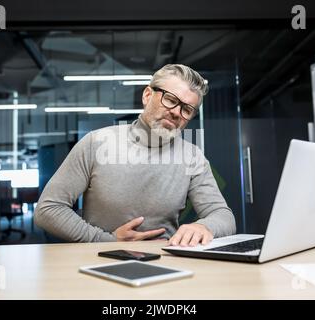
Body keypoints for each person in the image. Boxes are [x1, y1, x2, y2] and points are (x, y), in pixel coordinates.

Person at [34, 64, 236, 246]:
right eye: (171, 100)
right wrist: (107, 240)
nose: (176, 112)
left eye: (187, 109)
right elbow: (48, 209)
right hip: (99, 261)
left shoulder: (192, 156)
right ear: (148, 95)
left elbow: (223, 216)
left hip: (168, 264)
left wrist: (205, 227)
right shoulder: (96, 143)